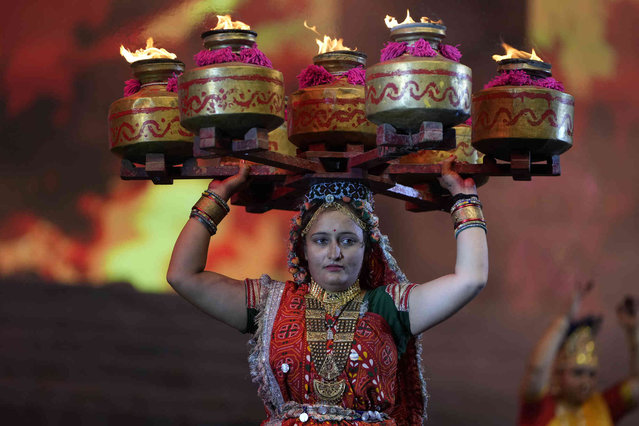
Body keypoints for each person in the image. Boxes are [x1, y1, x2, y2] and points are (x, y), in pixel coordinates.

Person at [167, 156, 488, 424]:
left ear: (368, 248)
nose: (335, 252)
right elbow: (184, 276)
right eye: (322, 240)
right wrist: (216, 197)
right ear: (303, 248)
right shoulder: (271, 304)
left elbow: (470, 279)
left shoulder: (388, 306)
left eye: (348, 241)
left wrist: (464, 198)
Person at [518, 282, 639, 425]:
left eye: (591, 374)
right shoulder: (539, 408)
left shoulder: (603, 405)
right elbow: (536, 371)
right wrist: (563, 320)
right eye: (578, 373)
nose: (586, 382)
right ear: (558, 374)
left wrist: (634, 332)